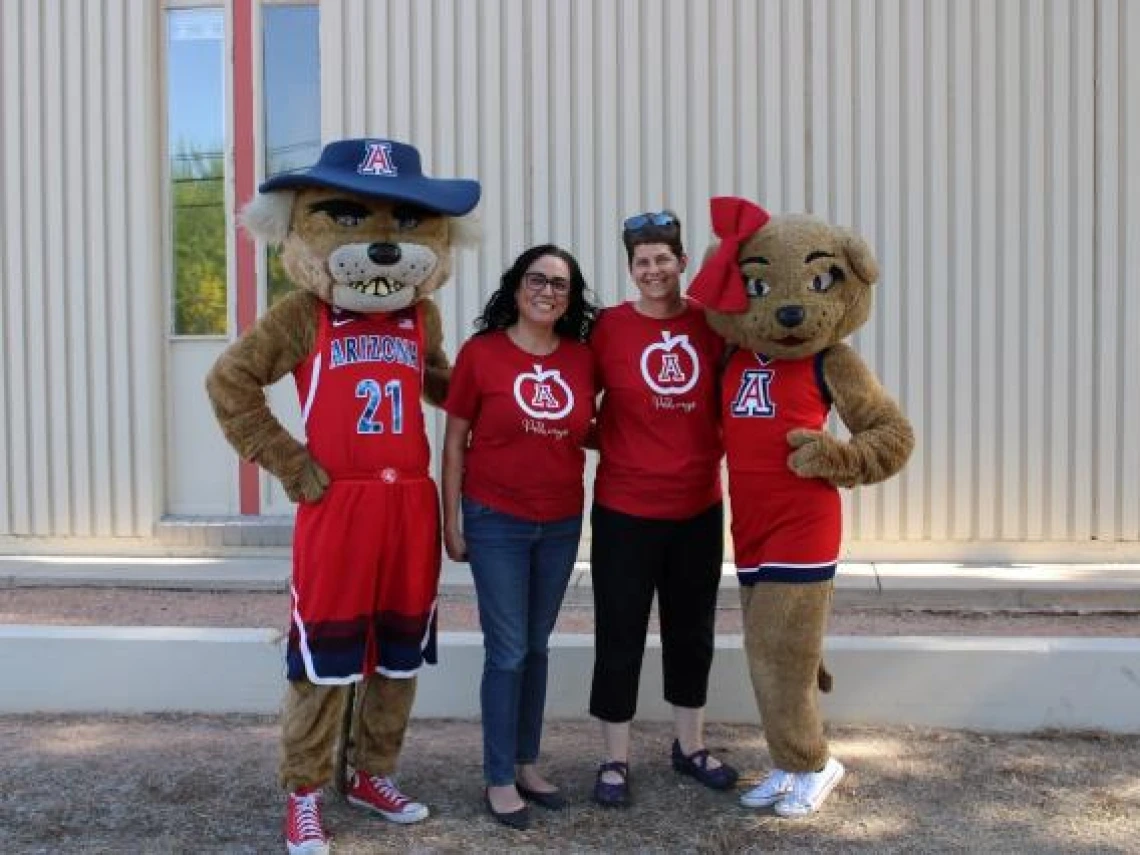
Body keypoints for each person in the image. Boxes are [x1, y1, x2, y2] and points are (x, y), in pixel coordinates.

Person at [441, 244, 598, 830]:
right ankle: (499, 776)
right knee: (506, 651)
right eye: (539, 279)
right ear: (516, 286)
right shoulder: (480, 355)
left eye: (561, 285)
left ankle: (526, 763)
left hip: (560, 520)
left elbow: (597, 424)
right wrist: (449, 520)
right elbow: (455, 441)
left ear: (570, 298)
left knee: (536, 647)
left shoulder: (584, 359)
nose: (548, 291)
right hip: (495, 518)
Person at [588, 210, 738, 807]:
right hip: (624, 509)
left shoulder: (713, 326)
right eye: (641, 262)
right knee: (619, 632)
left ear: (681, 264)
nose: (653, 270)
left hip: (698, 506)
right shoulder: (606, 329)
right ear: (631, 270)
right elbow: (572, 401)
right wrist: (621, 440)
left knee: (692, 631)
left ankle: (689, 746)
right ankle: (614, 758)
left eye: (663, 259)